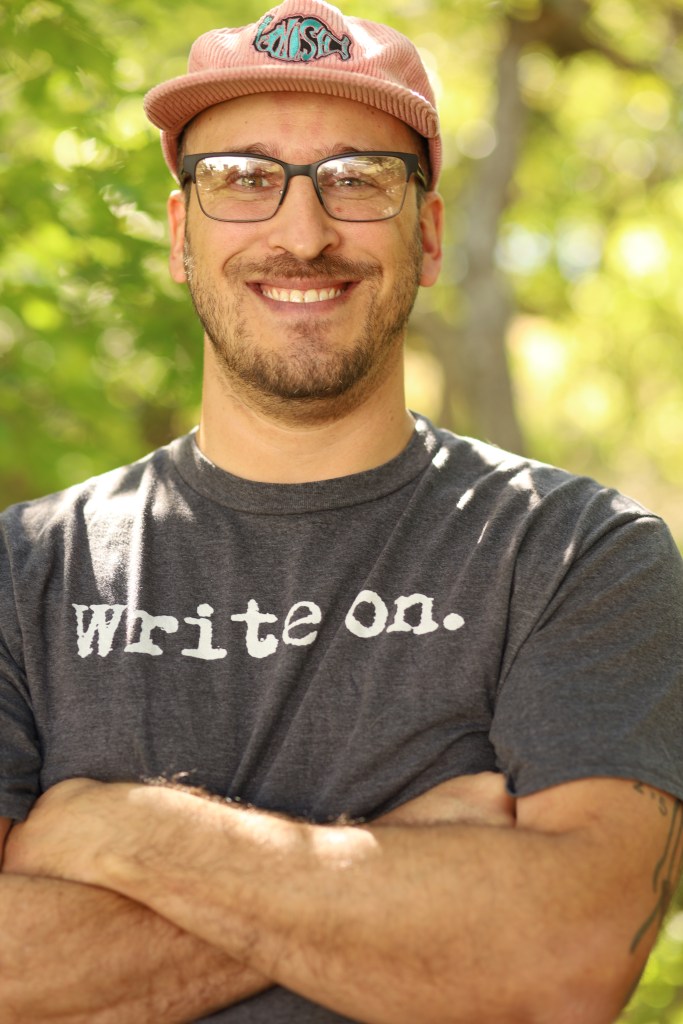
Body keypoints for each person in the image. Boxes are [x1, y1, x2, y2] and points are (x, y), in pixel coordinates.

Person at [2, 0, 683, 1020]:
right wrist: (421, 855)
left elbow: (563, 956)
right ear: (183, 234)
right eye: (242, 180)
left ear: (429, 232)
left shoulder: (575, 554)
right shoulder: (25, 573)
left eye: (358, 179)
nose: (302, 231)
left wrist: (118, 833)